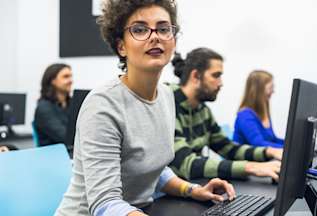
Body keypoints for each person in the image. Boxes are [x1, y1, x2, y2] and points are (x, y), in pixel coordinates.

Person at [56, 1, 236, 216]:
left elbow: (154, 170)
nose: (155, 36)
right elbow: (105, 204)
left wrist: (193, 190)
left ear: (174, 42)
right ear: (121, 46)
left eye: (163, 29)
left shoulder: (167, 96)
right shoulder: (103, 105)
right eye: (140, 29)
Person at [170, 47, 283, 181]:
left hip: (193, 187)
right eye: (216, 75)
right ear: (195, 76)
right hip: (166, 195)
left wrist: (269, 151)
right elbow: (186, 164)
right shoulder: (169, 105)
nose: (221, 83)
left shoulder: (203, 111)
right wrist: (251, 167)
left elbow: (229, 149)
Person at [233, 70, 284, 148]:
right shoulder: (245, 115)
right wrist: (288, 150)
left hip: (263, 158)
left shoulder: (264, 113)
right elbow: (258, 144)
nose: (273, 91)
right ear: (259, 90)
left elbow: (272, 140)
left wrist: (291, 145)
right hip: (246, 159)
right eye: (270, 88)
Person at [34, 63, 72, 148]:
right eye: (66, 77)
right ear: (53, 80)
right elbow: (65, 137)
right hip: (53, 156)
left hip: (71, 152)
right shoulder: (44, 108)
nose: (71, 80)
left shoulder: (71, 103)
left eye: (71, 76)